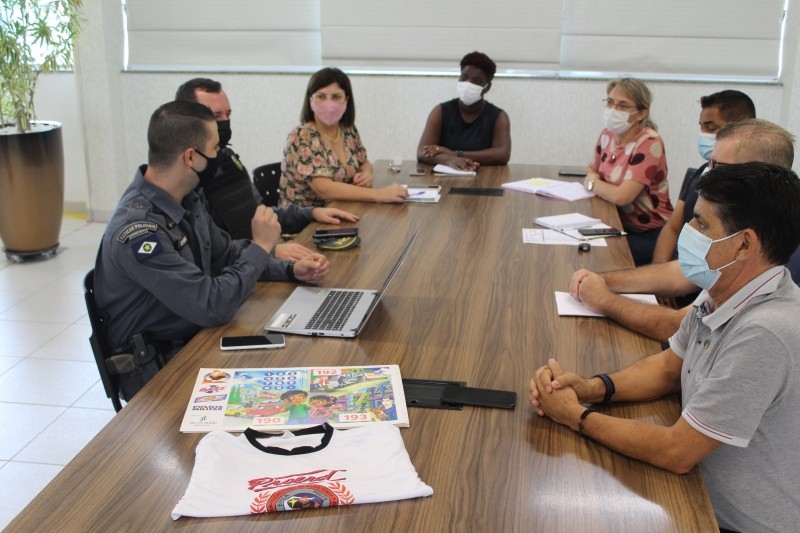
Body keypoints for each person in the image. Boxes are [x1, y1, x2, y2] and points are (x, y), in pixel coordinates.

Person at [531, 161, 800, 533]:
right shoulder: (724, 291)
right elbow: (668, 368)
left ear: (744, 244)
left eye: (702, 223)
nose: (687, 230)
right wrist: (591, 388)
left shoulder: (765, 332)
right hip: (696, 491)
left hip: (730, 521)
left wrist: (575, 415)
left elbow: (677, 451)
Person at [95, 100, 329, 400]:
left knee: (304, 360)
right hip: (160, 372)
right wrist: (261, 246)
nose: (221, 155)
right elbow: (210, 304)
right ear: (190, 157)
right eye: (215, 148)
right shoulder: (139, 232)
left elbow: (226, 254)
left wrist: (289, 269)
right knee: (288, 387)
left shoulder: (186, 198)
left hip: (197, 338)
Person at [570, 119, 800, 342]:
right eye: (710, 163)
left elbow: (678, 326)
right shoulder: (727, 214)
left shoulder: (773, 245)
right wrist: (602, 280)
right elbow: (680, 274)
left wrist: (604, 299)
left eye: (718, 167)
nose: (707, 172)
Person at [175, 78, 359, 260]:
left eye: (228, 115)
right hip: (245, 266)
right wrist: (269, 252)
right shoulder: (187, 180)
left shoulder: (228, 160)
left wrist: (310, 213)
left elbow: (259, 213)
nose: (225, 122)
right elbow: (211, 251)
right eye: (216, 116)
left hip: (262, 255)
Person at [650, 90, 756, 264]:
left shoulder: (745, 187)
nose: (703, 134)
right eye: (701, 127)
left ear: (741, 128)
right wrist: (657, 269)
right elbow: (673, 228)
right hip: (674, 271)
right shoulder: (702, 171)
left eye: (711, 127)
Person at [279, 67, 408, 207]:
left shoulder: (348, 129)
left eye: (336, 97)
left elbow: (364, 162)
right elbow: (324, 189)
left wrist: (366, 174)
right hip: (306, 220)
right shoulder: (301, 136)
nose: (329, 104)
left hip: (343, 208)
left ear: (346, 101)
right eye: (321, 96)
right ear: (311, 100)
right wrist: (380, 194)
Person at [584, 77, 673, 265]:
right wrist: (595, 181)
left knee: (595, 256)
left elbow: (622, 197)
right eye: (610, 102)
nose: (613, 110)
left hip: (650, 233)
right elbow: (592, 169)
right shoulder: (607, 134)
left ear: (642, 113)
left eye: (623, 105)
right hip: (616, 223)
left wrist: (592, 183)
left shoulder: (650, 142)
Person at [416, 51, 511, 171]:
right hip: (442, 181)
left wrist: (456, 154)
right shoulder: (440, 111)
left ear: (487, 87)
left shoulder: (499, 117)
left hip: (483, 180)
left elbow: (502, 155)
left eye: (477, 81)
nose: (468, 84)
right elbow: (421, 152)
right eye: (464, 78)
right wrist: (449, 160)